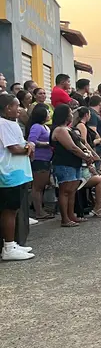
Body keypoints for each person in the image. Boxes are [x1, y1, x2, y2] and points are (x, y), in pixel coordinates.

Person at [0, 94, 36, 260]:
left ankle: (12, 243)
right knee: (9, 211)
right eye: (16, 106)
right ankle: (8, 247)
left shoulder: (11, 123)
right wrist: (28, 148)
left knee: (14, 210)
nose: (19, 109)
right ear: (8, 108)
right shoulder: (3, 124)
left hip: (18, 173)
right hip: (10, 173)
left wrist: (28, 145)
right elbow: (14, 148)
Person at [50, 104, 96, 227]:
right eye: (70, 113)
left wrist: (87, 153)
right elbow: (72, 147)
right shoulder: (60, 130)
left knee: (72, 191)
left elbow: (80, 144)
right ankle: (65, 218)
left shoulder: (68, 129)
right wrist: (85, 156)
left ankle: (71, 215)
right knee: (65, 191)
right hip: (64, 163)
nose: (72, 115)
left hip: (74, 163)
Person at [26, 104, 53, 220]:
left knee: (42, 186)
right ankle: (39, 211)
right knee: (37, 187)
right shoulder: (36, 127)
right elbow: (32, 141)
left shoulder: (45, 127)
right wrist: (47, 144)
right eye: (47, 113)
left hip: (47, 159)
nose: (49, 114)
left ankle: (41, 209)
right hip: (39, 159)